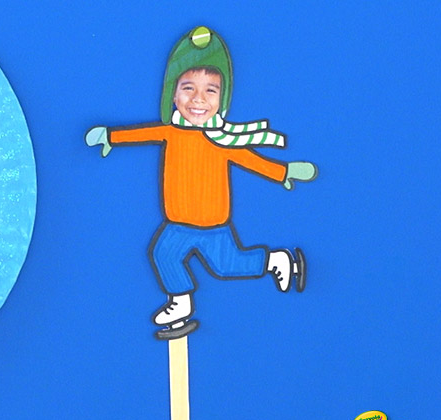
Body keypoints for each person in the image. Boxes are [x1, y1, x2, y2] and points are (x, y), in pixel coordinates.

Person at [86, 26, 317, 339]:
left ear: (222, 99)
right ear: (173, 94)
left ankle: (277, 261)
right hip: (177, 224)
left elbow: (251, 160)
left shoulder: (223, 140)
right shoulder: (171, 133)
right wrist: (110, 137)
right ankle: (180, 302)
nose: (198, 99)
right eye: (188, 88)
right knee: (163, 254)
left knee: (227, 266)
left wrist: (284, 172)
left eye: (211, 90)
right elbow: (142, 133)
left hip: (214, 226)